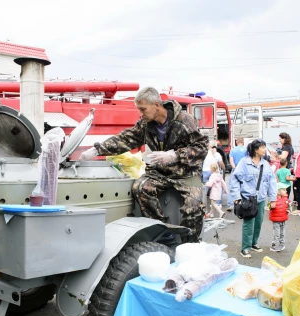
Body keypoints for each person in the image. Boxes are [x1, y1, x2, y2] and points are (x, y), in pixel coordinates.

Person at [80, 87, 208, 241]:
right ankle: (163, 230)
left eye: (143, 109)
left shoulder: (184, 120)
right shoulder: (145, 124)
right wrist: (97, 150)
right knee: (140, 188)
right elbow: (125, 139)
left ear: (156, 104)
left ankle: (191, 244)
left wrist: (174, 155)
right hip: (160, 172)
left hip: (185, 173)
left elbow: (201, 147)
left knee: (193, 205)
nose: (141, 114)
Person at [229, 139, 277, 258]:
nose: (265, 150)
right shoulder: (244, 163)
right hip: (247, 199)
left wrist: (272, 199)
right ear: (256, 150)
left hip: (260, 199)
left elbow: (271, 182)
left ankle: (254, 243)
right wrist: (236, 197)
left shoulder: (265, 164)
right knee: (249, 223)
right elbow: (234, 179)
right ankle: (245, 248)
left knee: (258, 223)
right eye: (263, 147)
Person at [269, 183, 290, 252]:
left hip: (284, 219)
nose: (286, 191)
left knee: (282, 233)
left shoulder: (286, 198)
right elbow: (270, 207)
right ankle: (274, 245)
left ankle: (281, 244)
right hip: (276, 220)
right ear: (278, 191)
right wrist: (271, 206)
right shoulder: (273, 199)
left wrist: (289, 209)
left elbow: (289, 206)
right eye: (284, 190)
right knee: (276, 233)